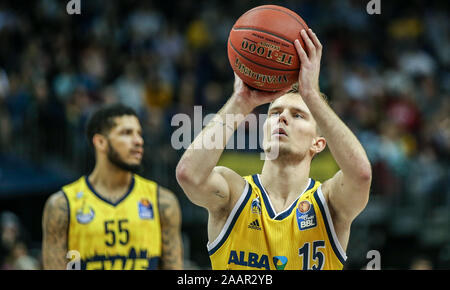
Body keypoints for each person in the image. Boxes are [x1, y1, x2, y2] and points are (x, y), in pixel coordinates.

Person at [176, 29, 372, 270]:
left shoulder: (329, 202)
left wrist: (311, 94)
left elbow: (361, 175)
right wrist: (240, 101)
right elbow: (188, 175)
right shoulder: (234, 194)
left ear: (318, 143)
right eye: (275, 113)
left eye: (298, 115)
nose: (282, 119)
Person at [42, 103, 183, 270]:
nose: (138, 141)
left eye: (139, 133)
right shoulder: (62, 205)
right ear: (101, 142)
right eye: (126, 133)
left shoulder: (162, 201)